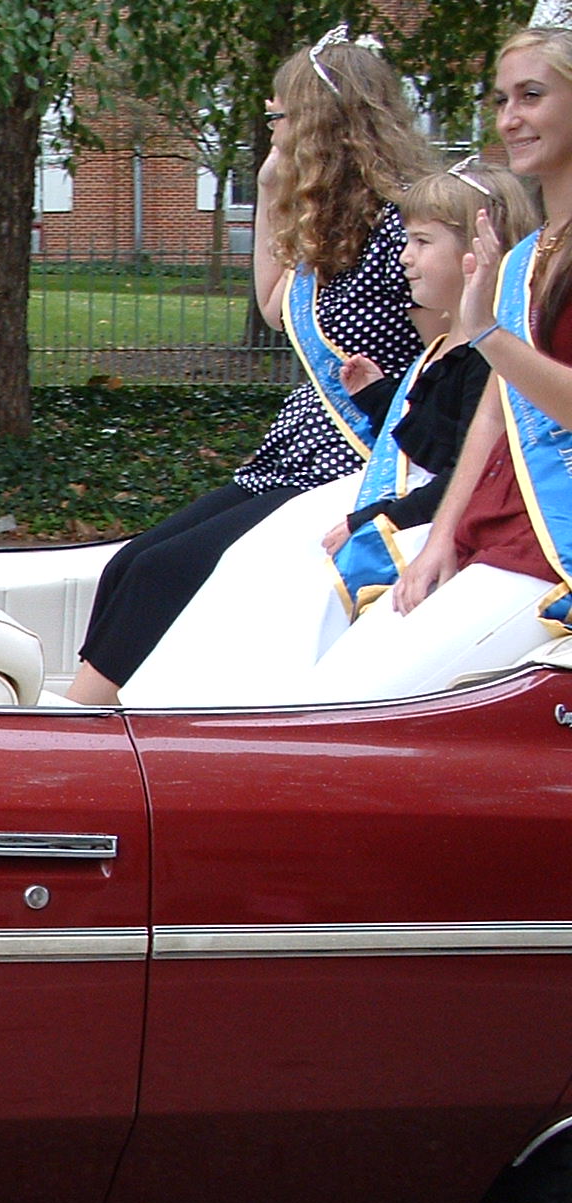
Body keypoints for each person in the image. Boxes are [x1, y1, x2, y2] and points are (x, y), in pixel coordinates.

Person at [65, 28, 435, 703]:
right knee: (130, 563)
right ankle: (89, 720)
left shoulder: (404, 230)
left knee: (167, 573)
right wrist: (269, 185)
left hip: (361, 461)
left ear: (321, 123)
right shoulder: (334, 219)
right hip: (299, 448)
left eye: (278, 117)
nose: (269, 127)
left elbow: (450, 354)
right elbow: (272, 306)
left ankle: (73, 728)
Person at [120, 161, 539, 706]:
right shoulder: (444, 347)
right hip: (405, 506)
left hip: (420, 523)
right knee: (251, 561)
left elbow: (463, 469)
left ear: (478, 252)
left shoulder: (483, 357)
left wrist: (375, 516)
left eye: (420, 242)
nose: (404, 256)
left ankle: (253, 710)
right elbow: (427, 439)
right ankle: (176, 701)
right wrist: (377, 395)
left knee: (301, 585)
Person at [300, 26, 572, 702]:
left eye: (532, 96)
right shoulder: (530, 253)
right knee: (331, 691)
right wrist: (441, 534)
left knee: (358, 707)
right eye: (502, 99)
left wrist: (486, 335)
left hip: (552, 545)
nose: (510, 118)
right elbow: (497, 407)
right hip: (491, 527)